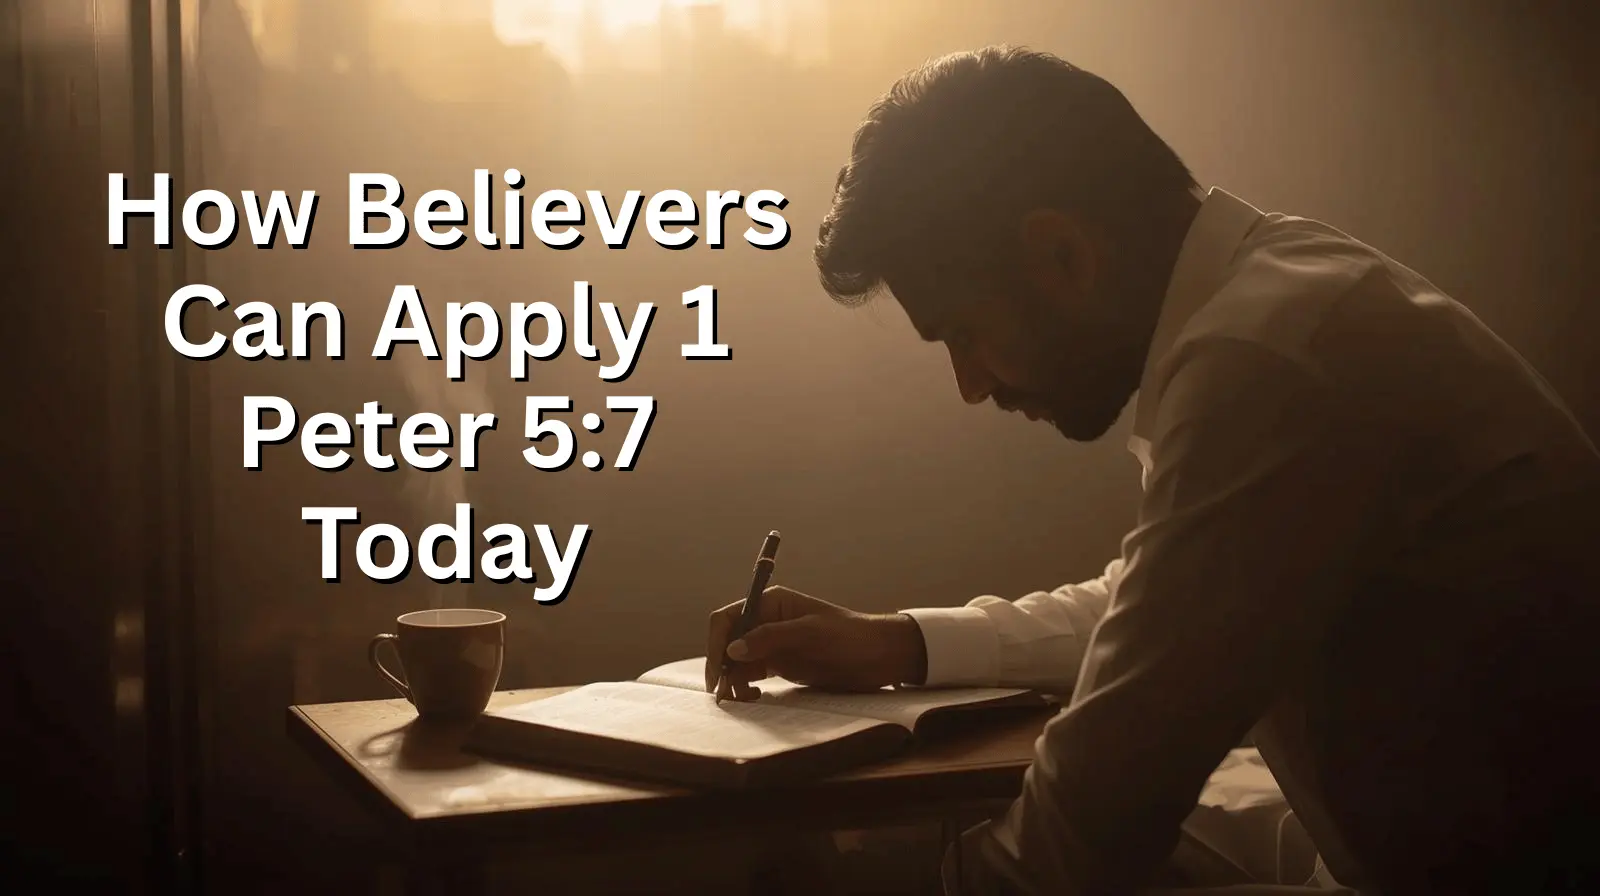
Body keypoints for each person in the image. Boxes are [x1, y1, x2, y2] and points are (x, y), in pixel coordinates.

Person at [704, 47, 1600, 895]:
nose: (971, 386)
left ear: (1062, 255)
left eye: (965, 335)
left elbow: (1098, 813)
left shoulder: (1266, 361)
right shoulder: (1277, 291)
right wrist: (900, 643)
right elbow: (1173, 601)